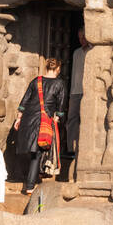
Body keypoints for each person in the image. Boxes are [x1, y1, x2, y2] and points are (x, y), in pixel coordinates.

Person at [14, 59, 66, 195]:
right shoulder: (59, 83)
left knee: (32, 151)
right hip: (44, 120)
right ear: (58, 69)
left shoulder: (36, 81)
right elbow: (61, 104)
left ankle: (32, 178)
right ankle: (30, 185)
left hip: (28, 118)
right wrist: (57, 117)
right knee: (38, 152)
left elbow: (24, 100)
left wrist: (19, 117)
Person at [66, 31, 88, 169]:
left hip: (87, 91)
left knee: (85, 120)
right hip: (75, 91)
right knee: (72, 119)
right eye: (79, 38)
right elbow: (74, 73)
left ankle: (83, 148)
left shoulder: (92, 52)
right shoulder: (76, 52)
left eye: (83, 37)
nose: (81, 40)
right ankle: (71, 148)